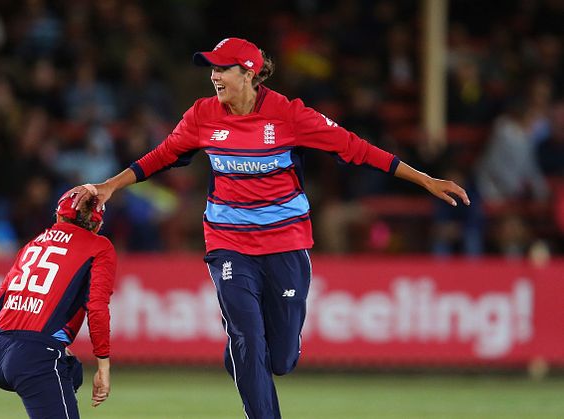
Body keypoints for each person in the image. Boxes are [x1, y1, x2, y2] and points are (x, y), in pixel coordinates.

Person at [67, 37, 470, 419]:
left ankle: (242, 354)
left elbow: (356, 147)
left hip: (286, 244)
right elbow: (160, 157)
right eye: (211, 69)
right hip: (228, 244)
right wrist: (108, 187)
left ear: (248, 72)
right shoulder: (202, 115)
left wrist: (425, 179)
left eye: (222, 68)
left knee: (279, 360)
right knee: (247, 336)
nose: (213, 76)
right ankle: (245, 356)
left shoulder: (289, 114)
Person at [0, 190, 115, 418]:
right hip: (34, 356)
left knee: (72, 372)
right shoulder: (98, 246)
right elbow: (97, 307)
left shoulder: (34, 242)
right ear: (97, 224)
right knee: (59, 368)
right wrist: (103, 366)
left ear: (59, 216)